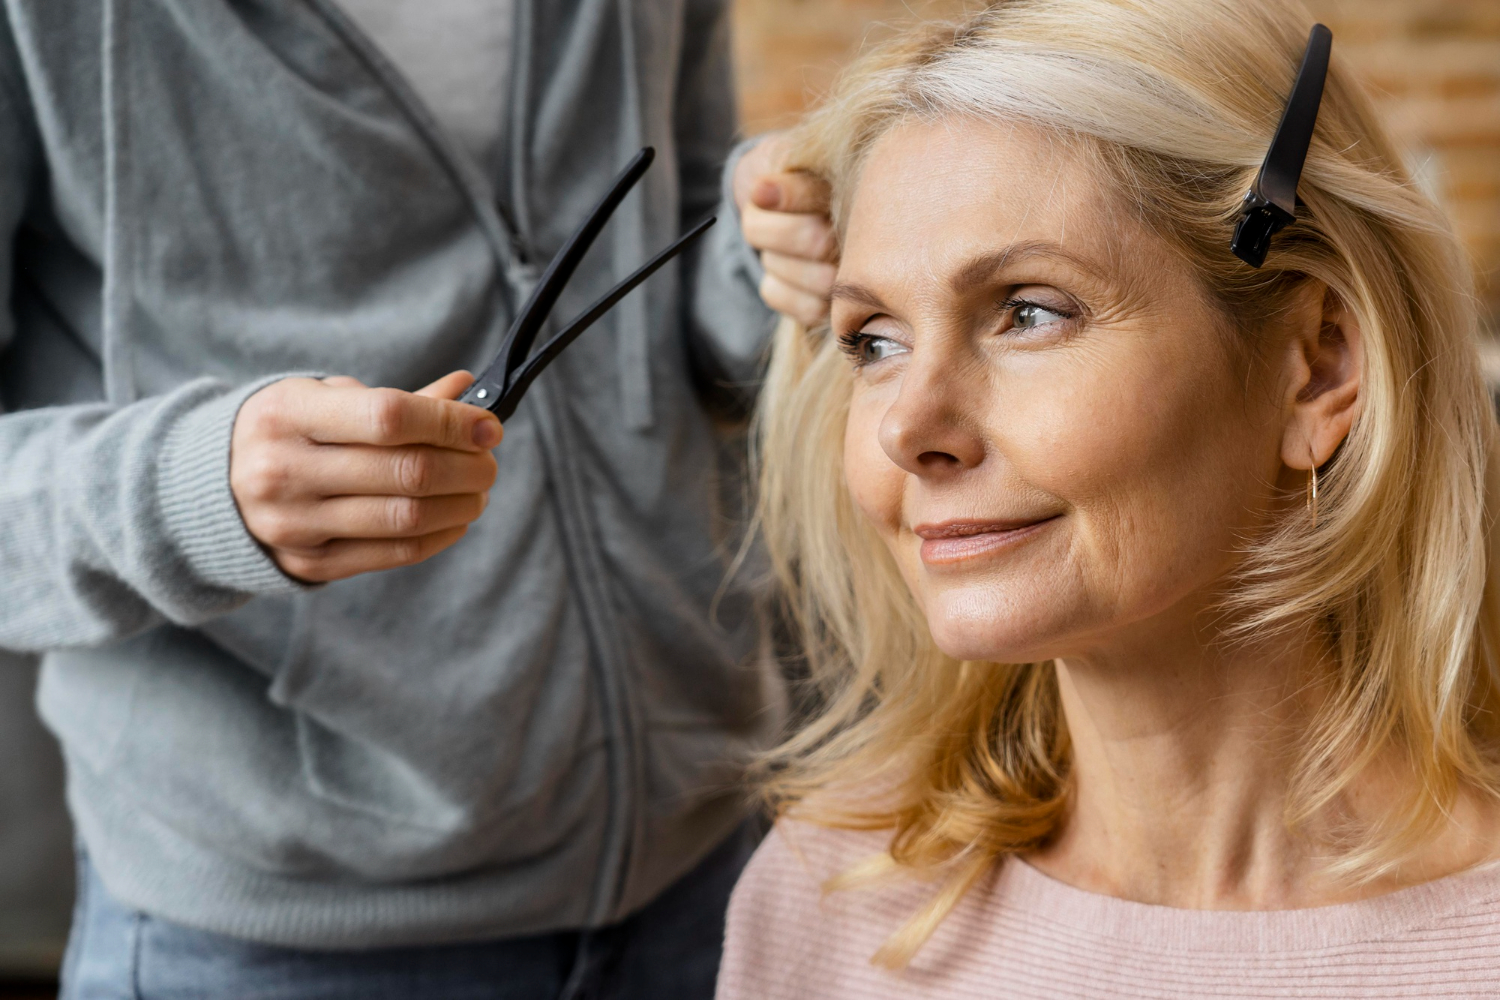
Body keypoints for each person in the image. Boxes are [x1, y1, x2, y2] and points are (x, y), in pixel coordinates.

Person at [0, 1, 833, 997]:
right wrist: (188, 489)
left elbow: (680, 273)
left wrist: (766, 263)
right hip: (282, 934)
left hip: (709, 851)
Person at [716, 1, 1500, 996]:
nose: (907, 429)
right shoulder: (828, 896)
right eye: (874, 339)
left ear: (1316, 366)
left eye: (1029, 312)